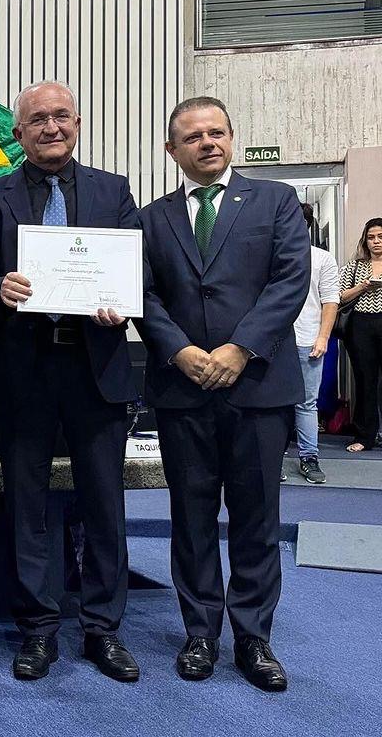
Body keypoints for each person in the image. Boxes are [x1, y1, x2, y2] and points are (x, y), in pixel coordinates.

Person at [0, 81, 141, 684]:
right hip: (23, 371)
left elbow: (132, 269)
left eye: (61, 116)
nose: (50, 127)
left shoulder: (114, 192)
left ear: (79, 122)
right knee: (27, 508)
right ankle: (38, 628)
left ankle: (102, 630)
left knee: (103, 506)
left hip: (97, 369)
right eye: (37, 120)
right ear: (19, 133)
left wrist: (122, 301)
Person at [137, 96, 309, 691]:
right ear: (172, 151)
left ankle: (254, 637)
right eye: (193, 137)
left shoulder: (276, 201)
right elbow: (144, 294)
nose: (207, 143)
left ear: (232, 138)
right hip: (183, 388)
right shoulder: (150, 218)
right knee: (190, 517)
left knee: (258, 519)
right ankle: (200, 633)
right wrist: (179, 350)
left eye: (217, 133)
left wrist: (241, 348)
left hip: (257, 384)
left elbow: (291, 278)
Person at [288, 203, 338, 482]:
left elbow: (331, 301)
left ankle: (309, 457)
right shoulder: (271, 255)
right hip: (273, 341)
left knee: (307, 403)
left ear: (306, 225)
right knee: (272, 404)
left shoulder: (321, 259)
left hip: (308, 339)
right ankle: (273, 458)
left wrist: (323, 337)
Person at [338, 217, 382, 453]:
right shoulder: (354, 266)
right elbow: (340, 297)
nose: (376, 242)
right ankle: (365, 435)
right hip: (361, 325)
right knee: (365, 381)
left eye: (380, 237)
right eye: (371, 237)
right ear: (365, 240)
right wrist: (363, 287)